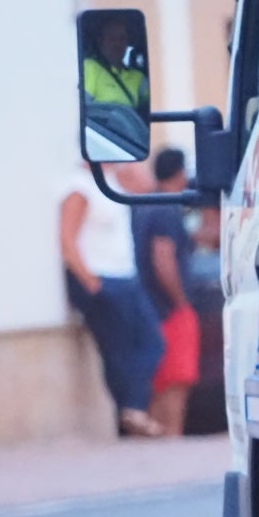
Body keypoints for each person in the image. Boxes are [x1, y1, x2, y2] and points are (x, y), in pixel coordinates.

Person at [60, 162, 166, 437]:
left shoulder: (111, 181)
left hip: (125, 277)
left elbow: (146, 185)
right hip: (102, 278)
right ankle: (130, 412)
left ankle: (133, 408)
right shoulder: (79, 186)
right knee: (118, 350)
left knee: (152, 342)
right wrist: (91, 282)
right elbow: (68, 239)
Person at [134, 149, 201, 435]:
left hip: (147, 306)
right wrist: (180, 300)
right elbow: (163, 259)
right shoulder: (166, 209)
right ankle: (171, 434)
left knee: (159, 379)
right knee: (175, 377)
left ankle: (160, 437)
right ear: (180, 173)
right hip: (167, 309)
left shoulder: (146, 205)